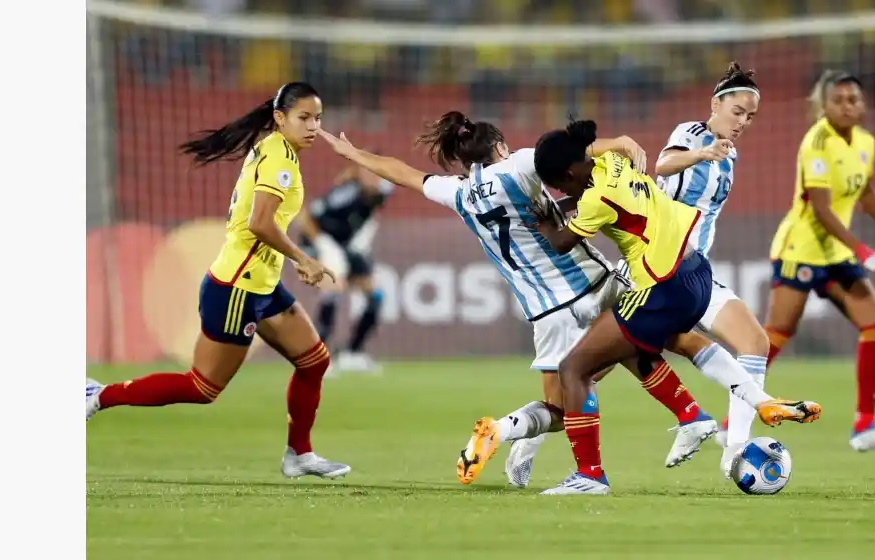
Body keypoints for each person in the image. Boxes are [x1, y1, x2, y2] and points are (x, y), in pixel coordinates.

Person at [314, 111, 761, 489]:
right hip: (594, 281)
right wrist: (618, 142)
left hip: (547, 310)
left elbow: (404, 173)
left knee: (570, 398)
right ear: (501, 147)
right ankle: (696, 414)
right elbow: (572, 152)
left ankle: (521, 437)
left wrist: (354, 156)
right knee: (658, 341)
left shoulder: (458, 193)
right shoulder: (524, 163)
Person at [528, 119, 822, 495]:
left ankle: (589, 476)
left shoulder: (596, 199)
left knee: (574, 368)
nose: (562, 190)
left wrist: (542, 220)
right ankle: (756, 400)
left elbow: (561, 242)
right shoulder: (611, 163)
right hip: (696, 272)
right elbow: (589, 192)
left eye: (560, 184)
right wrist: (564, 201)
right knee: (662, 344)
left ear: (569, 173)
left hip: (660, 284)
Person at [84, 82, 353, 479]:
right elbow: (258, 223)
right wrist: (303, 259)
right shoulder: (279, 159)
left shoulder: (276, 150)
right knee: (202, 388)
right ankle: (97, 395)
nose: (314, 126)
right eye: (304, 118)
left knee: (314, 361)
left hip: (260, 285)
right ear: (280, 118)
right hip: (236, 289)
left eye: (318, 119)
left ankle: (300, 455)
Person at [650, 61, 816, 472]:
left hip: (692, 273)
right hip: (652, 269)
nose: (743, 122)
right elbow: (662, 165)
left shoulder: (731, 155)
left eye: (750, 116)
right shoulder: (693, 134)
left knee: (755, 343)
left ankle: (735, 452)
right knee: (591, 367)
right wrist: (703, 152)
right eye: (738, 112)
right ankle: (527, 438)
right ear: (716, 104)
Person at [765, 70, 875, 452]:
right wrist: (863, 250)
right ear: (824, 105)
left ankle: (865, 427)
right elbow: (820, 209)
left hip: (835, 253)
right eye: (839, 100)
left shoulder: (865, 141)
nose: (848, 106)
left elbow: (865, 192)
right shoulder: (816, 141)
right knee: (775, 335)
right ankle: (732, 418)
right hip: (800, 250)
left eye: (854, 99)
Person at [295, 158, 393, 375]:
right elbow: (307, 218)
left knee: (375, 295)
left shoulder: (384, 190)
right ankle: (317, 358)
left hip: (348, 245)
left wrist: (362, 238)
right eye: (371, 173)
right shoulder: (346, 194)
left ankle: (353, 353)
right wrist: (323, 246)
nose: (377, 178)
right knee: (334, 287)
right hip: (320, 241)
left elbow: (371, 214)